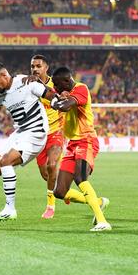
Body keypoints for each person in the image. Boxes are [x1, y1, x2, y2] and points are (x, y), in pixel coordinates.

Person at [0, 61, 59, 230]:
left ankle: (10, 207)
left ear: (4, 75)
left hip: (36, 132)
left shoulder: (26, 82)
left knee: (6, 161)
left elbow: (47, 93)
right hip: (20, 132)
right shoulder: (0, 92)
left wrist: (56, 102)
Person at [50, 66, 111, 232]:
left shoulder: (81, 89)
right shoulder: (63, 92)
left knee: (80, 177)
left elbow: (67, 106)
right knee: (60, 192)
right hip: (72, 144)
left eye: (57, 84)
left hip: (87, 141)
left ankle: (102, 221)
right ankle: (98, 202)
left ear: (66, 81)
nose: (55, 88)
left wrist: (55, 101)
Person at [30, 54, 64, 219]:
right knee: (47, 175)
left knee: (52, 166)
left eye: (38, 66)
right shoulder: (28, 85)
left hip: (56, 131)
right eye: (33, 66)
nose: (35, 69)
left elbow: (65, 102)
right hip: (38, 135)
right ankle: (67, 193)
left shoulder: (56, 85)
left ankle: (50, 206)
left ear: (46, 68)